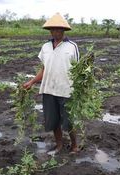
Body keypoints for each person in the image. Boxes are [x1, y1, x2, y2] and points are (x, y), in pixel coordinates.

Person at [23, 13, 80, 154]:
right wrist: (32, 82)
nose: (56, 32)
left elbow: (79, 71)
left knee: (69, 121)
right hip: (48, 89)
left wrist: (79, 90)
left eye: (59, 29)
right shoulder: (45, 47)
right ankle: (59, 145)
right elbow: (44, 69)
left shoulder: (72, 47)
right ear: (50, 31)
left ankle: (74, 145)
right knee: (53, 121)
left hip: (66, 90)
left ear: (64, 30)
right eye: (53, 30)